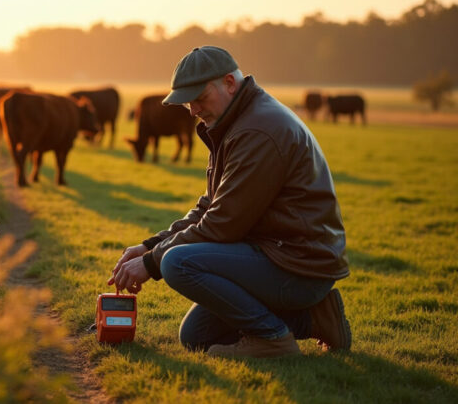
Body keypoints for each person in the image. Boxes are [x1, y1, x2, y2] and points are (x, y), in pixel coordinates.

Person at [107, 46, 351, 358]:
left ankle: (272, 338)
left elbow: (221, 225)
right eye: (187, 102)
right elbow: (211, 205)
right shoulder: (235, 121)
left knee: (177, 263)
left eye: (199, 98)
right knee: (196, 336)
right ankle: (316, 319)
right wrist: (149, 245)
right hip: (278, 253)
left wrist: (151, 262)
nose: (193, 110)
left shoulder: (258, 130)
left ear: (229, 83)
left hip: (297, 265)